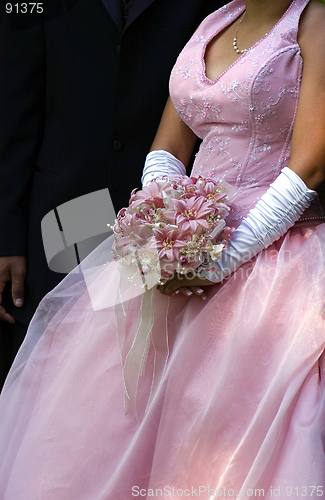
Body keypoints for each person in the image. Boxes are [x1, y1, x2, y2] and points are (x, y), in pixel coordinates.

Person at [1, 0, 325, 497]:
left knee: (220, 424)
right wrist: (158, 235)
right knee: (109, 410)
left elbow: (310, 167)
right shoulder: (216, 19)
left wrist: (223, 258)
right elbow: (168, 147)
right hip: (169, 238)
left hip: (270, 254)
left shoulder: (315, 19)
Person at [0, 0, 225, 387]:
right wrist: (6, 234)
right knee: (40, 387)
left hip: (164, 230)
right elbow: (13, 102)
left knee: (136, 385)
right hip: (58, 218)